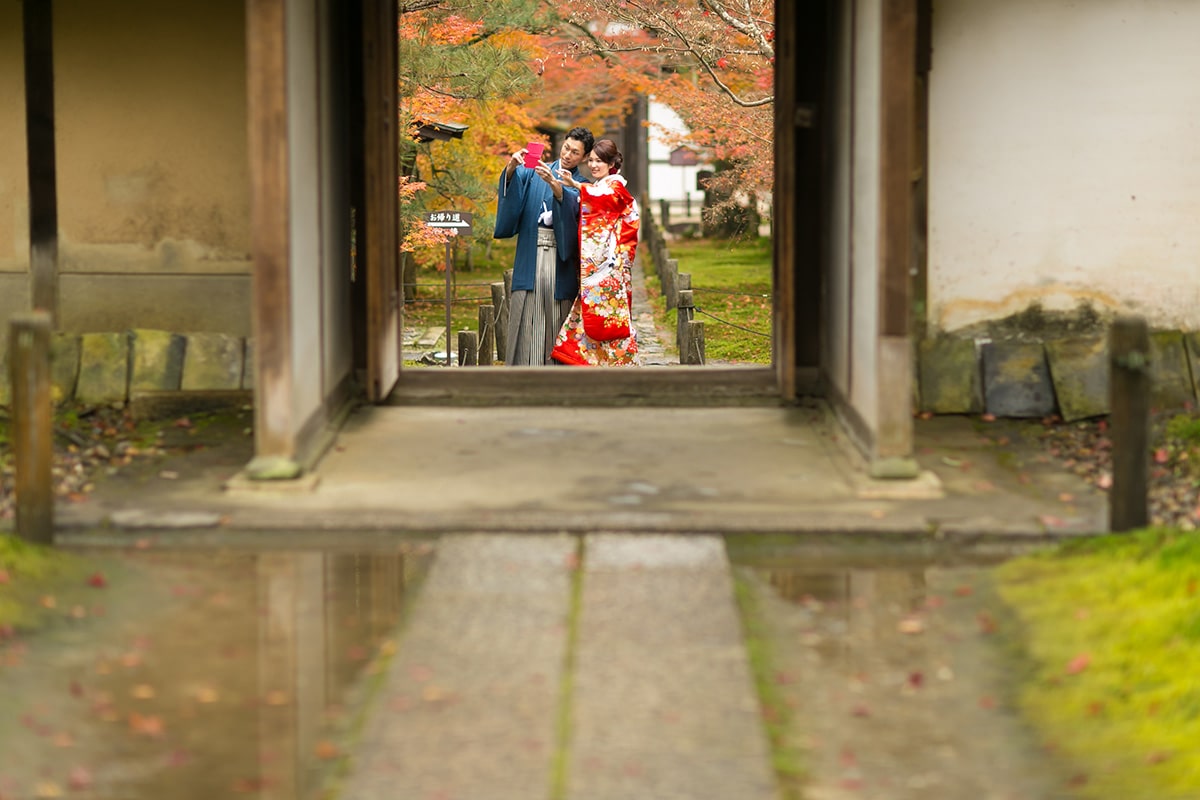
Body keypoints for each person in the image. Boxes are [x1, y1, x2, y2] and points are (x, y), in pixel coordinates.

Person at [493, 127, 594, 365]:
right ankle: (525, 372)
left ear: (584, 157)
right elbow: (513, 193)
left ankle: (555, 373)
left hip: (560, 258)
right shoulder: (536, 171)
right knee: (528, 310)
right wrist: (511, 169)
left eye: (575, 152)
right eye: (567, 147)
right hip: (531, 251)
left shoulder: (582, 184)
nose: (568, 154)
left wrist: (559, 189)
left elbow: (578, 216)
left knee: (557, 313)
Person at [551, 139, 641, 367]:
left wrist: (576, 185)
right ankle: (591, 363)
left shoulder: (615, 188)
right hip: (599, 267)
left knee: (609, 317)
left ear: (611, 163)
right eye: (590, 160)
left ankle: (620, 365)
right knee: (594, 313)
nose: (593, 165)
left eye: (599, 161)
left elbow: (603, 202)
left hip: (611, 267)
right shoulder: (601, 186)